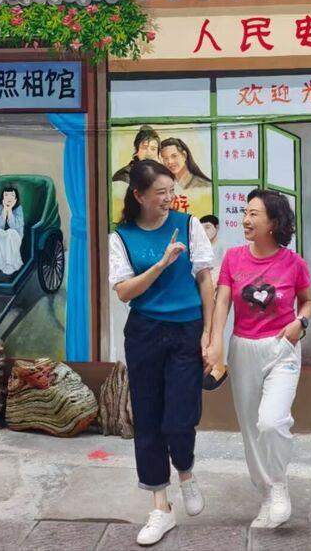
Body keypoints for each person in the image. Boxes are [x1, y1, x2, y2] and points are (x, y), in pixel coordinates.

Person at [108, 159, 215, 546]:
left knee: (180, 417)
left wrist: (209, 333)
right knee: (148, 419)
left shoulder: (188, 224)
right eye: (161, 193)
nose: (169, 198)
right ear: (139, 196)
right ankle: (160, 506)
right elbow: (124, 292)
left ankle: (185, 470)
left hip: (187, 330)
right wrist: (161, 264)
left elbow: (205, 279)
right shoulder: (121, 237)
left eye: (172, 191)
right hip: (145, 332)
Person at [208, 189, 311, 529]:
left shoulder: (293, 263)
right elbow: (222, 303)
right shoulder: (233, 258)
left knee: (271, 422)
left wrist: (301, 322)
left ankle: (279, 484)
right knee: (251, 430)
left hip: (282, 347)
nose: (245, 219)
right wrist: (215, 344)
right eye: (245, 212)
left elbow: (307, 301)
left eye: (254, 214)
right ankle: (267, 495)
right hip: (243, 349)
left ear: (273, 223)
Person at [0, 185, 24, 275]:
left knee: (10, 232)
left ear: (16, 198)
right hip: (2, 235)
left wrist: (9, 210)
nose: (9, 198)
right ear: (2, 197)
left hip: (15, 236)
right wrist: (5, 209)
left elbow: (15, 226)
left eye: (12, 195)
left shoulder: (18, 209)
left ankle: (10, 264)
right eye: (6, 195)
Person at [199, 214, 226, 286]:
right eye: (201, 229)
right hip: (204, 283)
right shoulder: (200, 248)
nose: (204, 231)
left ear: (217, 227)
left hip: (219, 284)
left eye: (207, 227)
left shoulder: (223, 246)